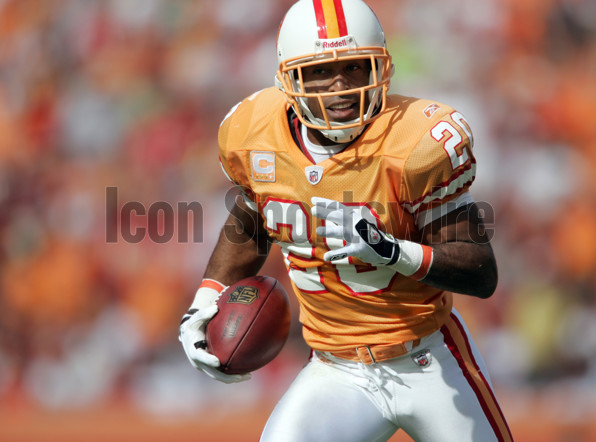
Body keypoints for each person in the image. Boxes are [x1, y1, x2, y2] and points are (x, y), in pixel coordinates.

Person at [179, 0, 513, 440]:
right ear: (289, 78)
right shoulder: (257, 134)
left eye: (355, 67)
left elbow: (480, 270)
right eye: (319, 71)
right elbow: (252, 218)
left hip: (428, 359)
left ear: (381, 69)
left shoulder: (414, 142)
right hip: (334, 371)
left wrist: (396, 253)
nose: (340, 85)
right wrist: (206, 297)